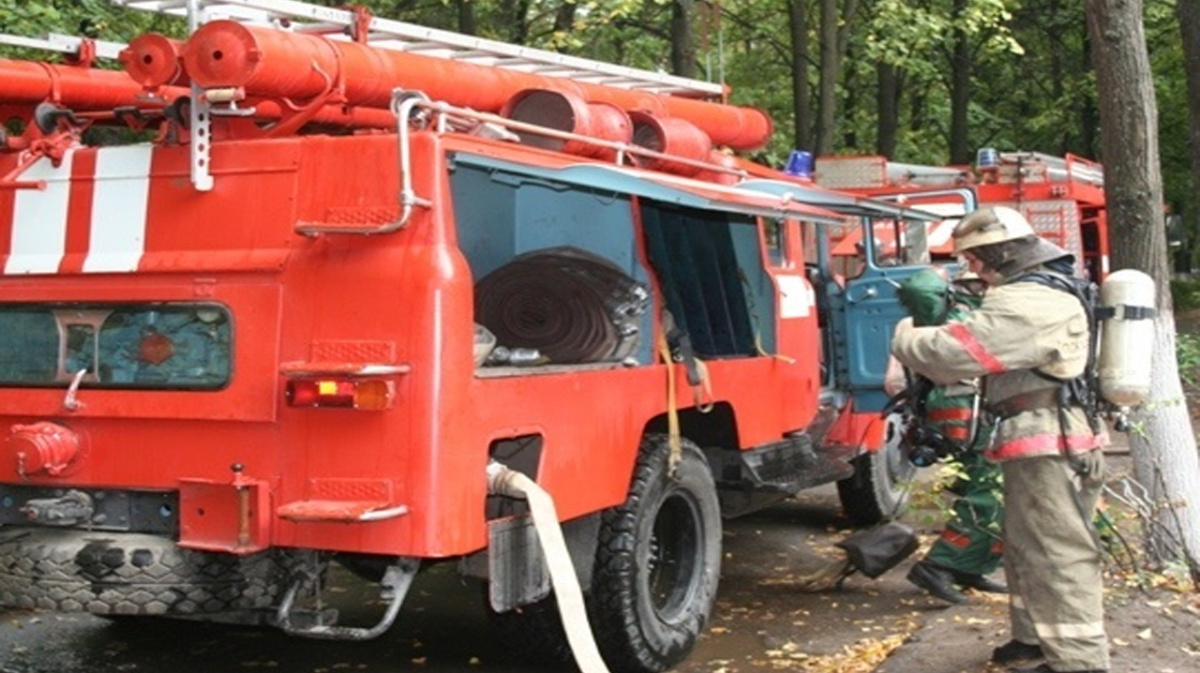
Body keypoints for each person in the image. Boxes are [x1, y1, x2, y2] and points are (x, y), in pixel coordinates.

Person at [890, 206, 1109, 673]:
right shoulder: (1044, 291)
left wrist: (905, 338)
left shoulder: (1031, 299)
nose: (972, 268)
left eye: (975, 257)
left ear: (1000, 252)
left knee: (1058, 553)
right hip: (1046, 439)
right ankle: (1033, 643)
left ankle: (1079, 662)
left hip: (1050, 441)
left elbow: (958, 353)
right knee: (1030, 547)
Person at [886, 268, 1007, 605]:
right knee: (989, 489)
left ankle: (969, 567)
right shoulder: (955, 312)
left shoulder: (963, 313)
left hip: (968, 408)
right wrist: (937, 276)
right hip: (965, 408)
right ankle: (938, 565)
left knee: (984, 487)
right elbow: (918, 288)